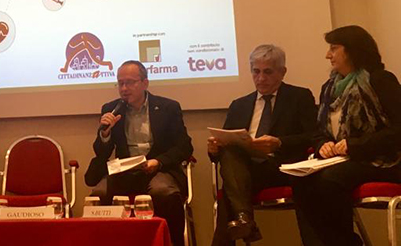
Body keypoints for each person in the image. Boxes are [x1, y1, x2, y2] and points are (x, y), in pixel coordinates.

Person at [292, 26, 401, 246]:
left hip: (384, 160)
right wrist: (323, 144)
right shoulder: (329, 87)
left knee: (330, 180)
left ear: (352, 50)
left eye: (334, 48)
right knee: (300, 181)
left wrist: (354, 145)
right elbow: (319, 131)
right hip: (344, 160)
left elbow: (397, 131)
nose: (328, 55)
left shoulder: (380, 81)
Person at [209, 45, 320, 245]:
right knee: (232, 159)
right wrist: (214, 149)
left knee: (230, 192)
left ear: (282, 72)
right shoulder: (239, 105)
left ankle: (244, 220)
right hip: (247, 170)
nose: (261, 78)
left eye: (268, 72)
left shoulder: (299, 97)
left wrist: (279, 143)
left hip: (282, 168)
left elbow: (314, 136)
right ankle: (245, 218)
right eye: (256, 71)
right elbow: (225, 147)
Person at [88, 60, 192, 246]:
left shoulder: (168, 108)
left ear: (145, 83)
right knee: (98, 194)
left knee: (163, 192)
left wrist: (158, 162)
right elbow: (101, 153)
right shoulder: (111, 109)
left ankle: (170, 242)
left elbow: (184, 146)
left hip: (157, 169)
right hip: (124, 172)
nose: (124, 88)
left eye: (129, 82)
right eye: (120, 83)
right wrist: (105, 134)